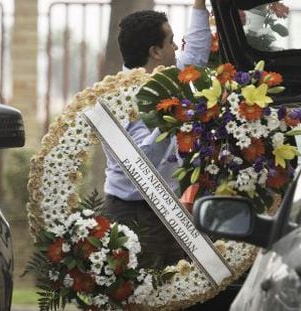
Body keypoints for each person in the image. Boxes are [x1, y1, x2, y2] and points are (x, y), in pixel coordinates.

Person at [102, 0, 212, 269]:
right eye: (172, 41)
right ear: (155, 52)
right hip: (133, 213)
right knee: (144, 296)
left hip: (170, 209)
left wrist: (200, 4)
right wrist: (172, 117)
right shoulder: (118, 98)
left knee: (182, 290)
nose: (177, 47)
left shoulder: (168, 77)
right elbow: (141, 163)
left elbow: (195, 56)